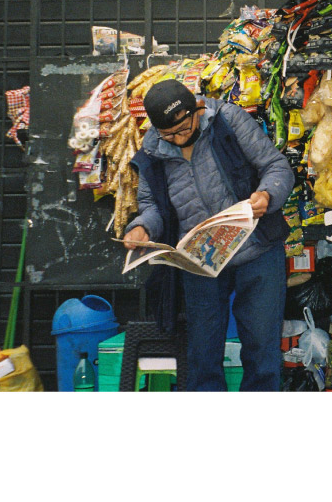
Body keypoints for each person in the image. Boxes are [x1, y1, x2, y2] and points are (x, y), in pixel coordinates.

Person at [122, 79, 294, 391]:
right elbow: (151, 206)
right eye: (169, 134)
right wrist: (141, 228)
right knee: (202, 353)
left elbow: (277, 167)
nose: (179, 138)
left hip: (256, 251)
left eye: (184, 127)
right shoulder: (152, 151)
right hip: (200, 261)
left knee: (261, 349)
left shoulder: (229, 120)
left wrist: (266, 195)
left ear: (197, 109)